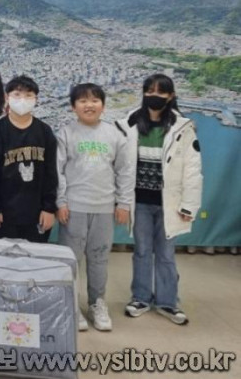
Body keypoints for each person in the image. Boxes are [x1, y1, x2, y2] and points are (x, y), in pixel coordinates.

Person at [117, 74, 202, 325]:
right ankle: (140, 297)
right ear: (143, 93)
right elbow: (120, 166)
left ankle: (167, 302)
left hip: (170, 203)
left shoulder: (183, 128)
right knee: (142, 251)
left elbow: (193, 169)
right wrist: (120, 201)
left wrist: (189, 205)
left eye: (161, 91)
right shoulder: (129, 124)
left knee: (165, 254)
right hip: (140, 201)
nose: (155, 96)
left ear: (171, 96)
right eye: (150, 90)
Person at [56, 83, 135, 332]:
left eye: (94, 100)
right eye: (82, 101)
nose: (89, 105)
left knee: (99, 259)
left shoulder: (114, 135)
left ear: (103, 105)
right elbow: (57, 171)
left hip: (104, 208)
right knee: (71, 260)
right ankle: (70, 303)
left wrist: (124, 203)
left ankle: (97, 303)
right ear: (73, 106)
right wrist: (61, 202)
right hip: (74, 207)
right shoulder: (66, 133)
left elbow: (124, 171)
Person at [0, 75, 58, 243]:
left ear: (36, 99)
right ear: (7, 97)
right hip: (3, 213)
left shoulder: (44, 132)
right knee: (3, 261)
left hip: (37, 213)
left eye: (29, 95)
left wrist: (49, 208)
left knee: (35, 260)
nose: (23, 99)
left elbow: (51, 173)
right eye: (17, 94)